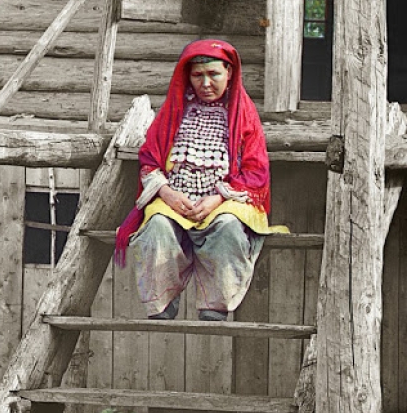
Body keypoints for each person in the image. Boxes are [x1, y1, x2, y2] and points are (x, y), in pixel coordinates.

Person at [115, 39, 287, 321]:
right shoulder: (173, 112)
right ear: (188, 77)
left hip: (225, 199)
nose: (206, 83)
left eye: (214, 74)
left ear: (229, 73)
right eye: (198, 75)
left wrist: (218, 197)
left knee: (229, 227)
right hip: (175, 198)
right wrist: (167, 193)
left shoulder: (243, 114)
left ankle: (214, 303)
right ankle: (163, 301)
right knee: (157, 225)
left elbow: (256, 170)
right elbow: (149, 160)